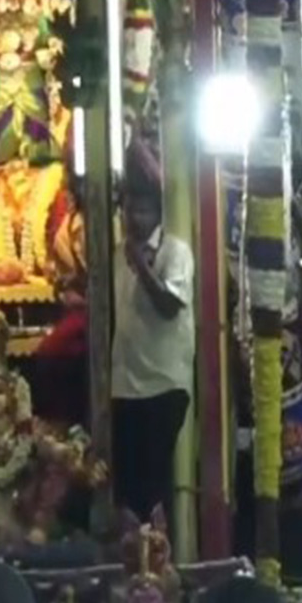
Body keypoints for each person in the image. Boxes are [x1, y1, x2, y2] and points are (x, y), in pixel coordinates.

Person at [111, 165, 194, 522]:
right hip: (124, 386)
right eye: (129, 209)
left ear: (158, 213)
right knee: (127, 491)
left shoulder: (175, 252)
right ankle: (135, 563)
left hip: (163, 384)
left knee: (154, 486)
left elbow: (169, 306)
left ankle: (158, 563)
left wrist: (143, 269)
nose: (134, 218)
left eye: (142, 210)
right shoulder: (117, 255)